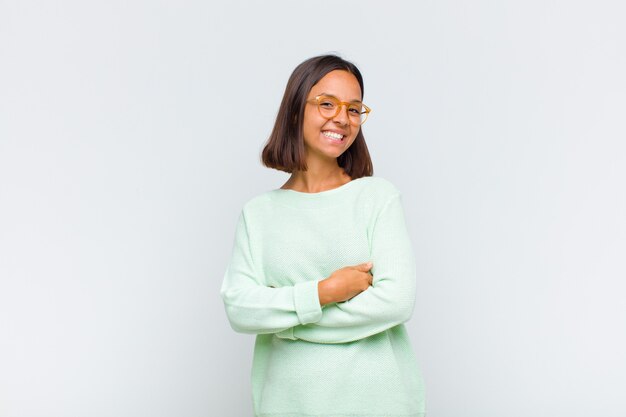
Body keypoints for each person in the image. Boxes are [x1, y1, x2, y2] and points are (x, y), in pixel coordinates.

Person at [220, 54, 426, 417]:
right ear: (297, 110)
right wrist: (324, 293)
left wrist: (290, 324)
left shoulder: (376, 198)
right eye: (327, 103)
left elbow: (396, 301)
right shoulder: (258, 214)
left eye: (353, 108)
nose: (341, 118)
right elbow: (240, 308)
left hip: (377, 404)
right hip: (288, 405)